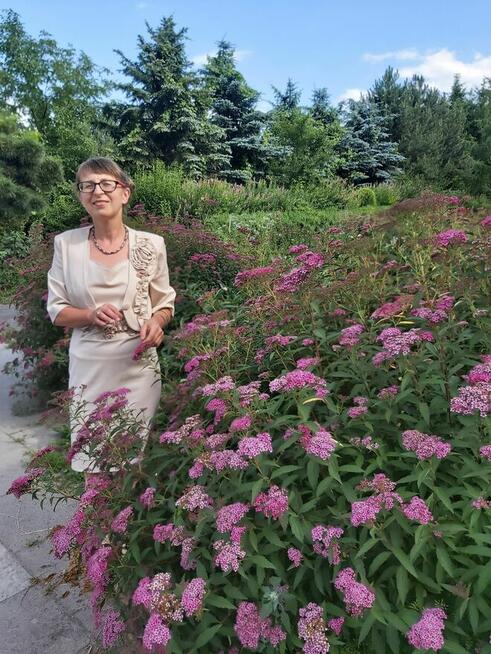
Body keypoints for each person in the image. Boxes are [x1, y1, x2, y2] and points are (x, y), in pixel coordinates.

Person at [46, 157, 176, 472]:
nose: (97, 191)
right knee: (93, 466)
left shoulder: (152, 244)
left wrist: (157, 323)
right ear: (81, 195)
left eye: (107, 184)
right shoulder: (66, 245)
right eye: (88, 185)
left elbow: (164, 304)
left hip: (138, 369)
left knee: (135, 467)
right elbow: (57, 310)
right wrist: (90, 314)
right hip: (89, 370)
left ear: (124, 192)